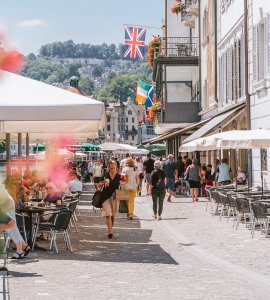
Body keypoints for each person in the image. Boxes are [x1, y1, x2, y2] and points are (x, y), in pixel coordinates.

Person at [0, 186, 31, 259]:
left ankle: (20, 251)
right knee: (13, 226)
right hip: (7, 199)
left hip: (5, 202)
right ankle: (24, 246)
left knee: (10, 227)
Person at [100, 160, 121, 239]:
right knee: (108, 214)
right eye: (111, 168)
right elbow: (99, 184)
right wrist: (104, 182)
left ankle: (110, 228)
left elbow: (124, 184)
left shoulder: (119, 176)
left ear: (116, 168)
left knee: (112, 215)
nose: (112, 170)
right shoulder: (106, 175)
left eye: (114, 168)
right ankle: (110, 232)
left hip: (115, 197)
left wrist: (123, 183)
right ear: (108, 168)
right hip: (105, 197)